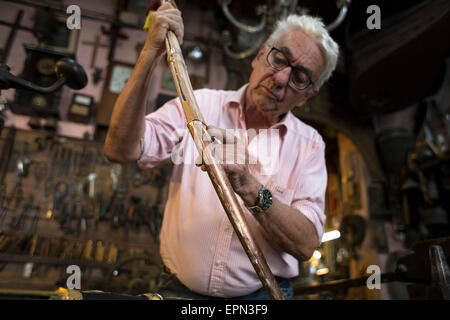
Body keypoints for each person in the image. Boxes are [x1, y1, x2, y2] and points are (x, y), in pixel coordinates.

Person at [103, 2, 339, 299]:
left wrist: (251, 189)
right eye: (279, 59)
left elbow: (305, 244)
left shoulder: (310, 145)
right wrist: (150, 53)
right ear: (259, 55)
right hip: (180, 291)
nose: (280, 79)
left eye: (300, 78)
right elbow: (119, 149)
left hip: (261, 296)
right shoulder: (197, 105)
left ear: (308, 95)